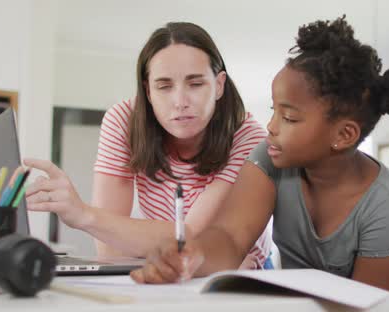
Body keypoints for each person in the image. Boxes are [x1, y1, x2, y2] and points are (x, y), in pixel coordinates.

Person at [130, 17, 389, 311]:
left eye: (289, 117)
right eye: (274, 110)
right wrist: (193, 254)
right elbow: (230, 236)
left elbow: (365, 306)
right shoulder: (271, 158)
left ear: (344, 134)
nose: (271, 126)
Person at [24, 22, 272, 269]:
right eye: (164, 86)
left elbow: (192, 239)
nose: (180, 101)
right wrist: (149, 244)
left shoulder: (248, 137)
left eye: (196, 84)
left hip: (239, 270)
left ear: (219, 85)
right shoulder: (124, 121)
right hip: (165, 265)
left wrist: (84, 216)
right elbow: (110, 251)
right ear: (148, 91)